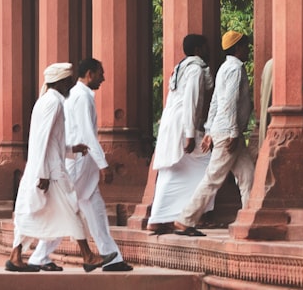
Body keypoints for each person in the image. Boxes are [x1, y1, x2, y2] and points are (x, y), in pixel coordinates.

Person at [7, 62, 118, 273]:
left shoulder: (49, 101)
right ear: (60, 82)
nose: (70, 84)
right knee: (72, 211)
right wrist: (43, 173)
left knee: (32, 213)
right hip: (50, 172)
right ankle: (88, 256)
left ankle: (16, 256)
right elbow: (42, 141)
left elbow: (52, 142)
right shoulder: (53, 103)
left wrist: (71, 149)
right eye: (68, 81)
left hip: (48, 169)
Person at [28, 59, 134, 272]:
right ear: (90, 73)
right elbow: (86, 133)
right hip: (76, 164)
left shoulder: (81, 96)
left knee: (96, 211)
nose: (103, 78)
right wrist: (103, 164)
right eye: (100, 73)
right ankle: (38, 257)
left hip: (83, 163)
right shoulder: (80, 97)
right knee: (66, 210)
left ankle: (111, 257)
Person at [173, 31, 254, 236]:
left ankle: (250, 218)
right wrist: (233, 132)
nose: (248, 50)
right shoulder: (235, 68)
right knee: (213, 178)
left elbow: (216, 102)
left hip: (224, 130)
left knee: (248, 177)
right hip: (229, 132)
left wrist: (209, 130)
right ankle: (186, 219)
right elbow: (229, 102)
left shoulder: (223, 68)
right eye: (245, 46)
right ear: (237, 48)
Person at [148, 34, 215, 234]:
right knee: (209, 164)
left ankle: (160, 218)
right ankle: (186, 218)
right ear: (199, 49)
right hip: (183, 125)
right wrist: (189, 134)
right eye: (205, 46)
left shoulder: (180, 68)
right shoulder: (194, 69)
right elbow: (191, 102)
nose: (208, 50)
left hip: (173, 124)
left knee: (173, 169)